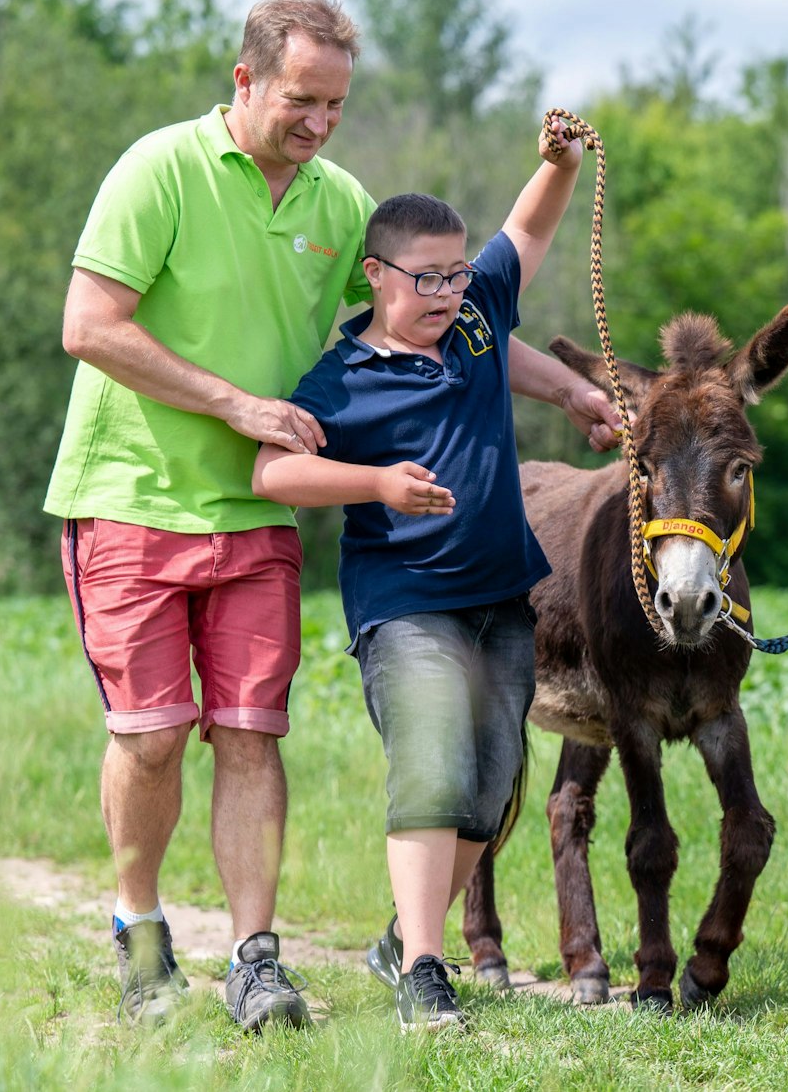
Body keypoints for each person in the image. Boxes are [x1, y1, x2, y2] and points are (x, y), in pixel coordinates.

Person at [45, 0, 618, 1031]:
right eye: (300, 99)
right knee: (155, 736)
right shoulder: (158, 169)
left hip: (258, 513)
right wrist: (238, 406)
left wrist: (568, 390)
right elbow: (89, 325)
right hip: (132, 493)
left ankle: (255, 958)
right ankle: (140, 928)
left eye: (335, 105)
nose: (317, 121)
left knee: (251, 733)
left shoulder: (337, 200)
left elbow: (447, 312)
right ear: (246, 78)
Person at [251, 121, 588, 1031]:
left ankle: (404, 932)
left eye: (454, 274)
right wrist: (376, 483)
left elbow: (529, 231)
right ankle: (426, 975)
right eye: (425, 278)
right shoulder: (340, 382)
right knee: (433, 768)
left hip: (501, 599)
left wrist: (557, 166)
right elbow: (271, 473)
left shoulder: (478, 317)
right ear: (376, 275)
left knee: (488, 791)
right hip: (404, 606)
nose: (446, 292)